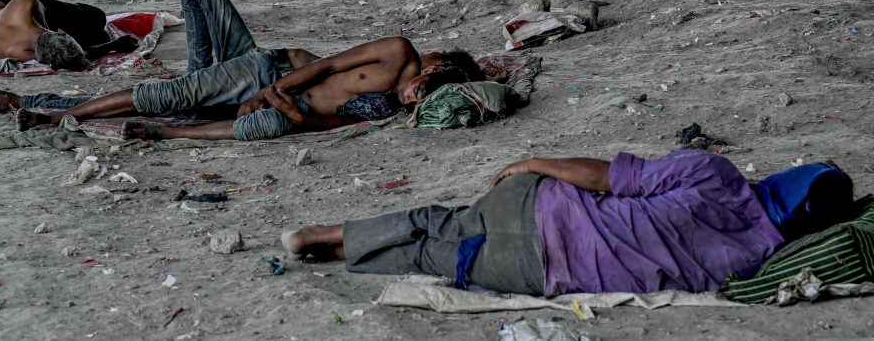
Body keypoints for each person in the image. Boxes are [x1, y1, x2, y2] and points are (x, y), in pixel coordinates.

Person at [0, 0, 476, 140]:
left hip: (261, 88)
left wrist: (275, 108)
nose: (414, 99)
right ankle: (63, 113)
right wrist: (268, 93)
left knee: (174, 103)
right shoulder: (398, 52)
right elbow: (325, 67)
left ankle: (43, 107)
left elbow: (318, 119)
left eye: (419, 101)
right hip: (264, 70)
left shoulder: (390, 105)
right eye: (422, 90)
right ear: (433, 69)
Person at [282, 150, 786, 296]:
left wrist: (533, 163)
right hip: (536, 271)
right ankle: (342, 252)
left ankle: (325, 235)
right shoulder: (759, 262)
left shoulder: (714, 174)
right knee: (433, 256)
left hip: (540, 207)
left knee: (438, 220)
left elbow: (603, 177)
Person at [0, 0, 139, 69]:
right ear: (61, 31)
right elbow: (70, 58)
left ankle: (76, 20)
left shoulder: (26, 3)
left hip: (5, 3)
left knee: (97, 18)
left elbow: (67, 54)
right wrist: (113, 45)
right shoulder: (23, 52)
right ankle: (81, 35)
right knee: (100, 31)